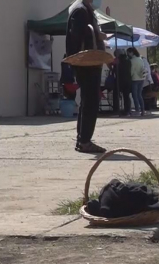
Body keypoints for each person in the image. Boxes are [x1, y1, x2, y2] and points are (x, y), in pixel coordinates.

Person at [66, 0, 107, 154]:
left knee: (87, 101)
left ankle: (82, 139)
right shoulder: (80, 11)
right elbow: (76, 36)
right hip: (86, 63)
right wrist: (97, 35)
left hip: (88, 64)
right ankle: (84, 141)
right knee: (90, 101)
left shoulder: (84, 10)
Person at [128, 47, 146, 116]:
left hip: (135, 79)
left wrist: (130, 77)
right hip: (141, 78)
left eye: (128, 52)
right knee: (139, 95)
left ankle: (137, 110)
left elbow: (131, 71)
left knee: (134, 95)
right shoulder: (140, 59)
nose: (128, 54)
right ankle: (142, 110)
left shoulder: (132, 60)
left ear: (132, 52)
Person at [117, 49, 132, 116]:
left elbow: (116, 70)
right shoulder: (128, 60)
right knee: (126, 96)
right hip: (128, 80)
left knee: (118, 95)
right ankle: (127, 110)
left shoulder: (118, 61)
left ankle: (118, 110)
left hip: (121, 80)